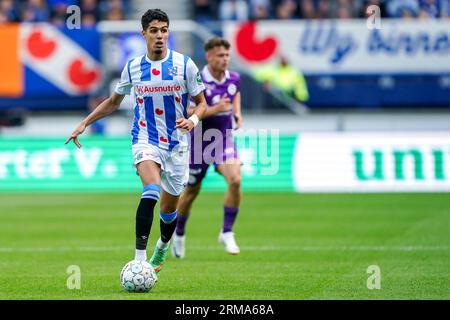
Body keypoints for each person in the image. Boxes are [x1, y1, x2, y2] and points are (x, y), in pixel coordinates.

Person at [65, 8, 207, 273]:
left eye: (164, 30)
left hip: (177, 144)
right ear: (144, 34)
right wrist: (85, 122)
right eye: (154, 31)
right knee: (150, 189)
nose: (160, 36)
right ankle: (139, 261)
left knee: (168, 211)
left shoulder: (184, 65)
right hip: (145, 138)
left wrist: (193, 121)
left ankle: (163, 245)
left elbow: (202, 103)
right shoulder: (133, 67)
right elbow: (112, 103)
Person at [171, 37, 243, 258]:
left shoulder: (234, 78)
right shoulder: (197, 79)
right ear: (209, 56)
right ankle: (179, 233)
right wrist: (217, 108)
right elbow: (192, 113)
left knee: (236, 180)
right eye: (220, 55)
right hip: (199, 143)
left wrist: (237, 113)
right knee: (191, 193)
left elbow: (235, 95)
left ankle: (227, 231)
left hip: (223, 139)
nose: (225, 59)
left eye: (227, 55)